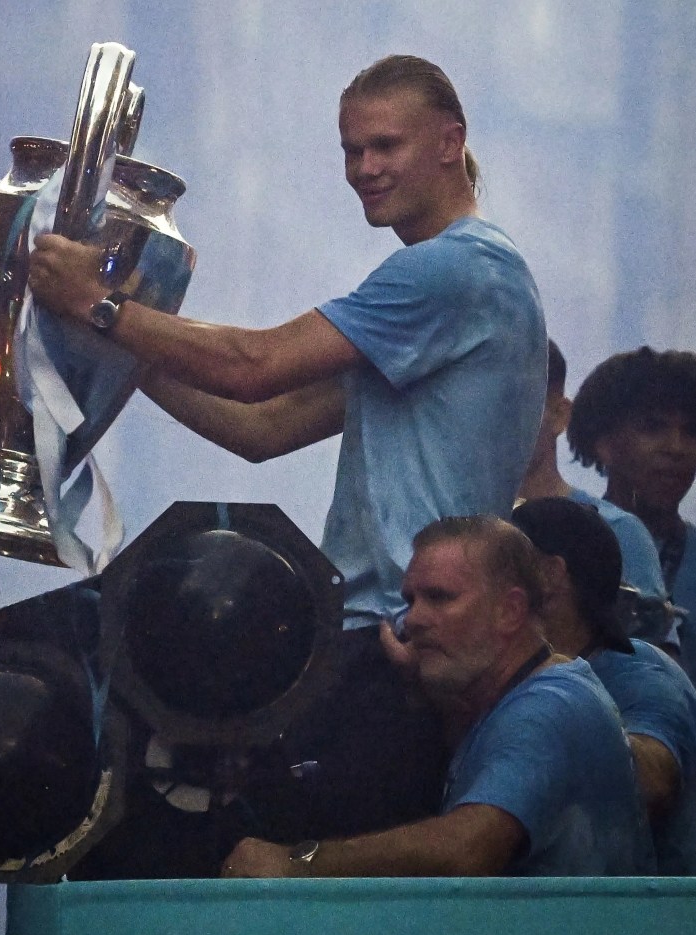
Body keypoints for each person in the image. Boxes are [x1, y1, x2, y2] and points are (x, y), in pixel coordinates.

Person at [28, 54, 547, 630]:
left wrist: (99, 307)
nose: (365, 168)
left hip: (402, 631)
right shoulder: (458, 285)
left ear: (450, 143)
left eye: (385, 146)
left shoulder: (455, 267)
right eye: (353, 150)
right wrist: (122, 345)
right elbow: (264, 427)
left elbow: (255, 364)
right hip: (377, 624)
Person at [220, 516, 653, 877]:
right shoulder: (517, 697)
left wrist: (297, 860)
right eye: (410, 599)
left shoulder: (551, 705)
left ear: (510, 610)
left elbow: (467, 847)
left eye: (440, 598)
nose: (414, 620)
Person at [511, 496, 696, 874]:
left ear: (548, 573)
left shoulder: (642, 671)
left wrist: (559, 694)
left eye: (497, 565)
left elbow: (653, 783)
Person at [517, 339, 675, 650]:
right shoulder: (458, 528)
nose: (496, 419)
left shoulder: (619, 531)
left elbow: (648, 669)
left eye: (518, 402)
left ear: (561, 415)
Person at [568, 347, 696, 677]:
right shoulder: (564, 545)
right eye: (653, 427)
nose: (676, 448)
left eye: (691, 432)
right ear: (604, 442)